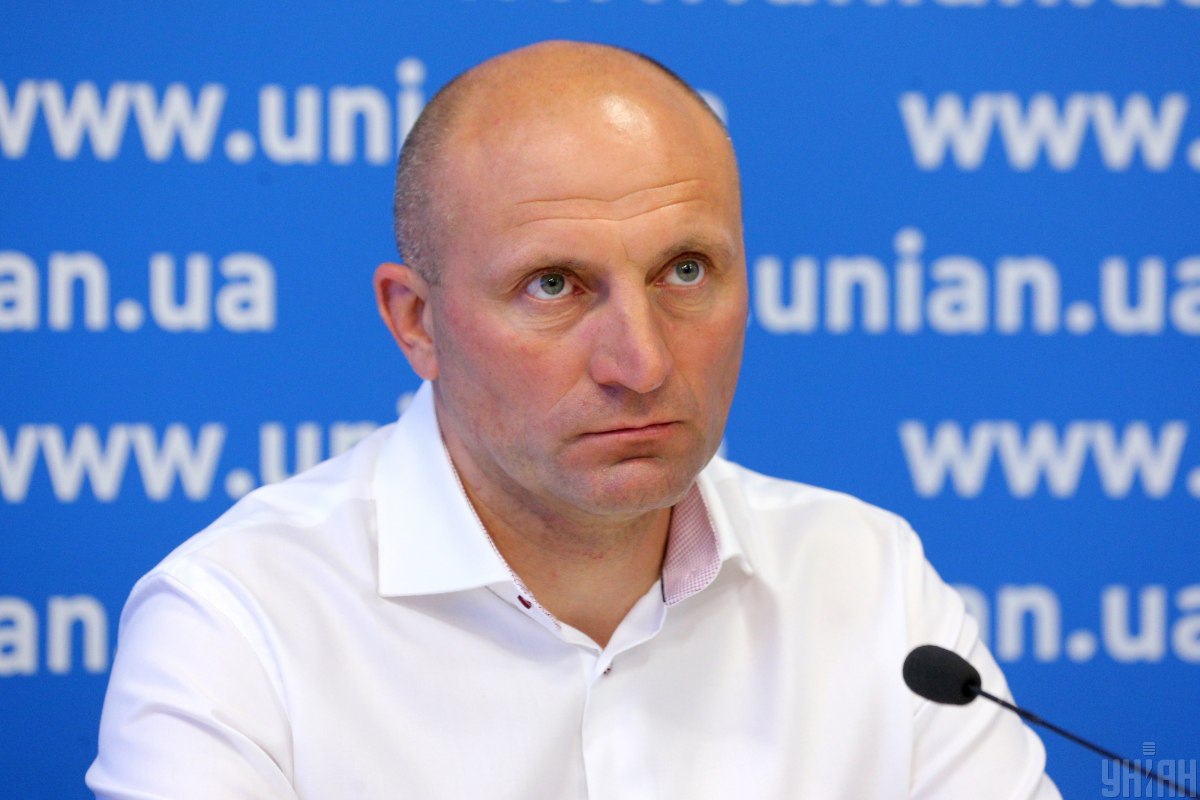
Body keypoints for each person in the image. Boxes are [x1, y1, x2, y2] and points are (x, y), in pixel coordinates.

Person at [87, 41, 1060, 798]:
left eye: (686, 271)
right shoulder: (240, 622)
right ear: (416, 322)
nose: (642, 363)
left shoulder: (868, 580)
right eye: (554, 285)